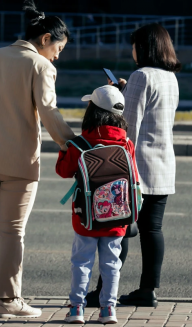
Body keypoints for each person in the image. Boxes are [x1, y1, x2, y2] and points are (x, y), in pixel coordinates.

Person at [0, 0, 75, 318]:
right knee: (13, 231)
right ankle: (10, 301)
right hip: (19, 163)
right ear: (45, 40)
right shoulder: (41, 66)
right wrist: (74, 143)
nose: (58, 56)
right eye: (59, 48)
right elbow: (50, 114)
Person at [87, 23, 181, 308]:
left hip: (136, 165)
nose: (132, 50)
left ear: (144, 47)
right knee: (152, 229)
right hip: (163, 164)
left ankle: (105, 291)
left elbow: (129, 126)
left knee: (121, 228)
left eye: (134, 45)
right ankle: (148, 290)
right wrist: (127, 91)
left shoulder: (141, 75)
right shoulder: (169, 77)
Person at [55, 86, 139, 324]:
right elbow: (134, 178)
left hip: (86, 217)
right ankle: (108, 310)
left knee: (81, 261)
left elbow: (62, 171)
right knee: (112, 263)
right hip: (118, 216)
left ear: (91, 110)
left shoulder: (80, 143)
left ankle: (76, 309)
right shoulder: (126, 144)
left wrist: (65, 150)